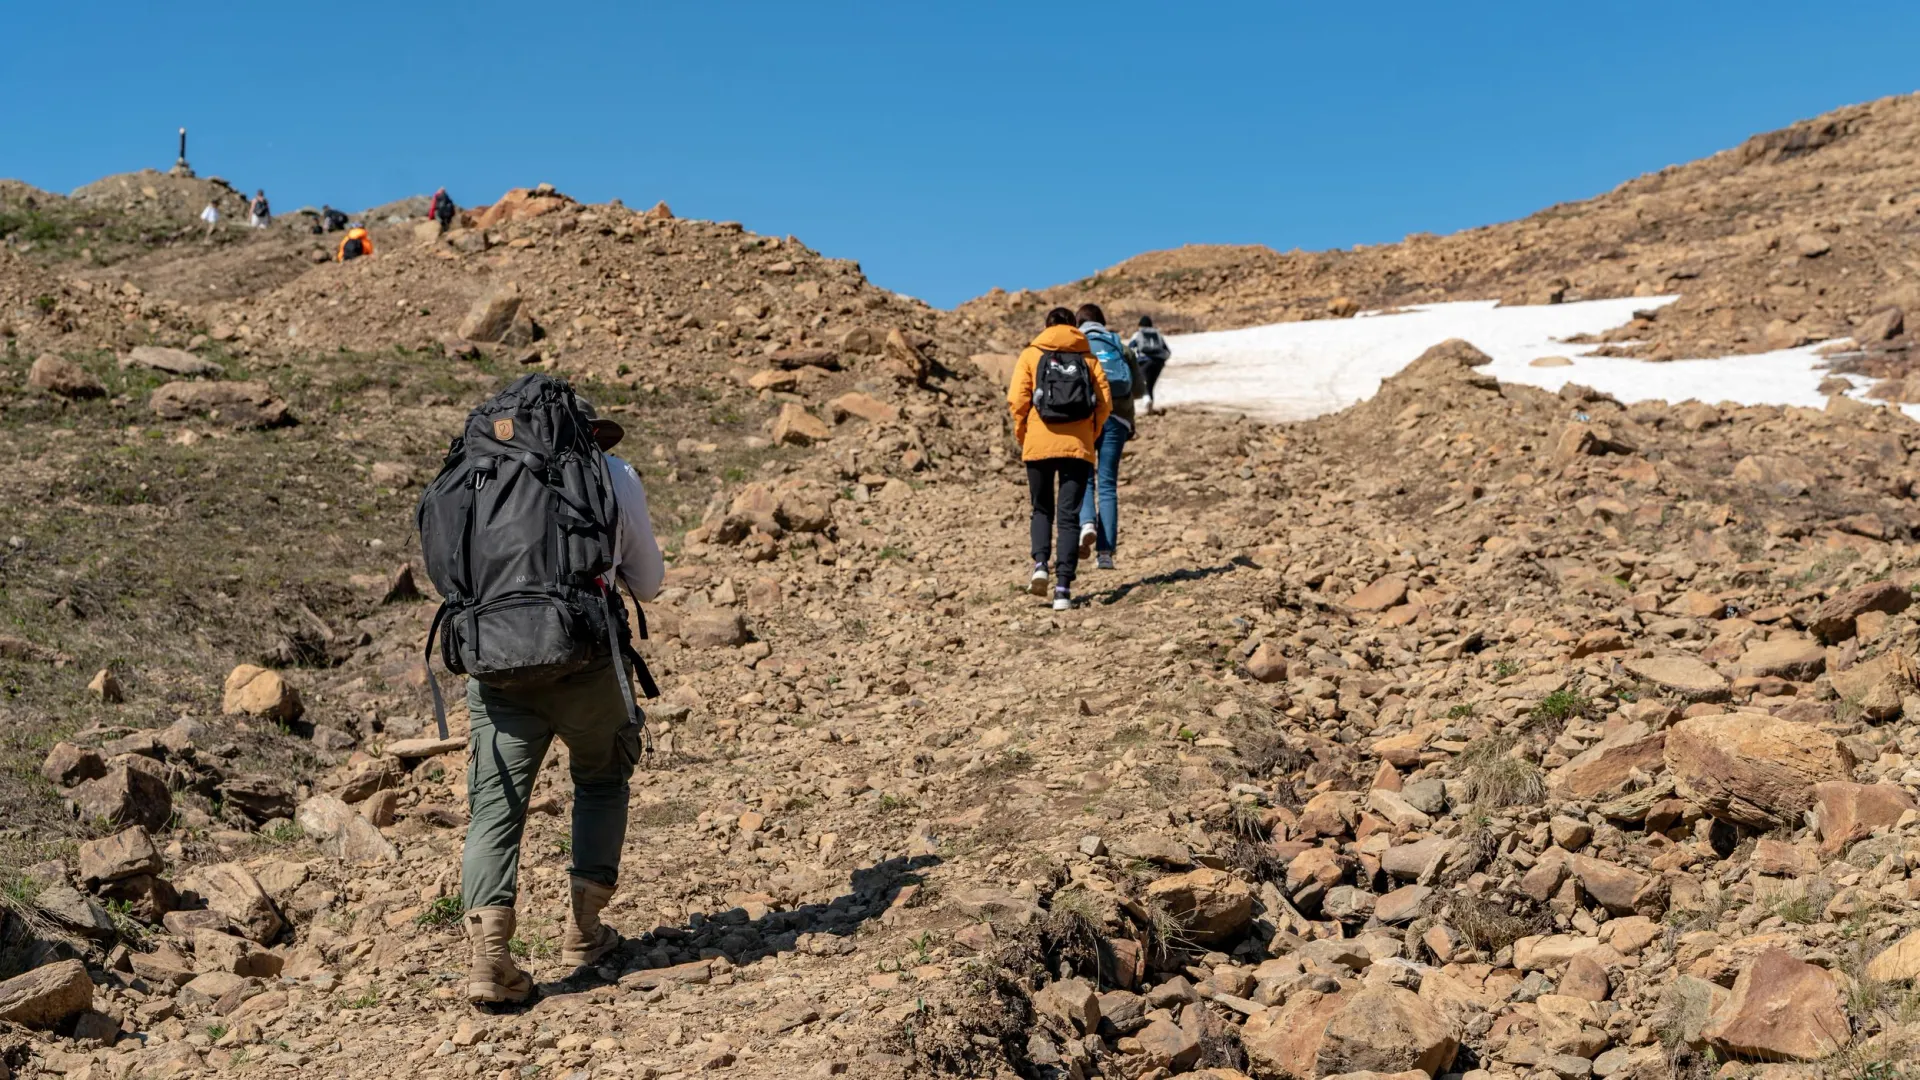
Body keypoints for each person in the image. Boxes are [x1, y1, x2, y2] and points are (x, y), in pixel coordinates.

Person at [431, 383, 665, 1005]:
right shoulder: (612, 472)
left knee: (494, 810)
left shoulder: (470, 478)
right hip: (585, 659)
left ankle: (489, 962)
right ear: (581, 434)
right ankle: (585, 933)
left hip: (494, 670)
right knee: (600, 779)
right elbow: (652, 581)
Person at [1008, 306, 1112, 611]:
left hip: (1038, 441)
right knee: (1069, 517)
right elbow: (1104, 403)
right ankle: (1063, 589)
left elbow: (1017, 400)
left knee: (1041, 509)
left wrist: (1024, 434)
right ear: (1073, 326)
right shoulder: (1087, 356)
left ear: (1046, 326)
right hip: (1077, 445)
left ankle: (1040, 564)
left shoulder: (1031, 354)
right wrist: (1088, 435)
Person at [1074, 304, 1141, 570]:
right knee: (1108, 483)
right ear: (1103, 322)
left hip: (1087, 419)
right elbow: (1136, 389)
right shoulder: (1119, 346)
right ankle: (1105, 553)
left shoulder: (1077, 345)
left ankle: (1087, 523)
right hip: (1117, 420)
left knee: (1085, 477)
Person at [1127, 315, 1173, 413]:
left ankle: (1147, 401)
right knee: (1150, 384)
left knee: (1143, 383)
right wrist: (1162, 360)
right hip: (1158, 363)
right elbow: (1167, 351)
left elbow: (1130, 349)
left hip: (1144, 362)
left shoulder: (1137, 334)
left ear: (1140, 325)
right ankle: (1150, 408)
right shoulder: (1158, 335)